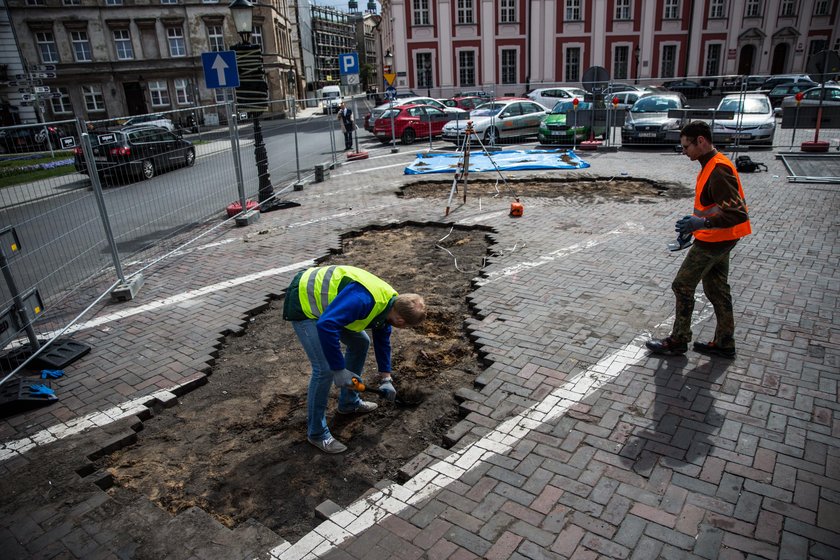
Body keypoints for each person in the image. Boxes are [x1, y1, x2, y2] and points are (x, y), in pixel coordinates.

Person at [283, 265, 426, 453]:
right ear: (401, 321)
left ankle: (349, 403)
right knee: (324, 369)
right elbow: (327, 325)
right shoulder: (364, 300)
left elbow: (383, 340)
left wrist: (386, 378)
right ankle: (317, 433)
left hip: (332, 307)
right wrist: (339, 369)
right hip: (304, 301)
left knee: (360, 342)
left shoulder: (392, 304)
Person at [646, 121, 752, 359]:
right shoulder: (710, 165)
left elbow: (737, 213)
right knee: (716, 289)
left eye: (686, 146)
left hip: (716, 239)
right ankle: (725, 342)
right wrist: (693, 225)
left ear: (701, 141)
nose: (684, 151)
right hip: (719, 236)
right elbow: (710, 207)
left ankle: (679, 339)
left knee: (682, 285)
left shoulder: (718, 169)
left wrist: (700, 224)